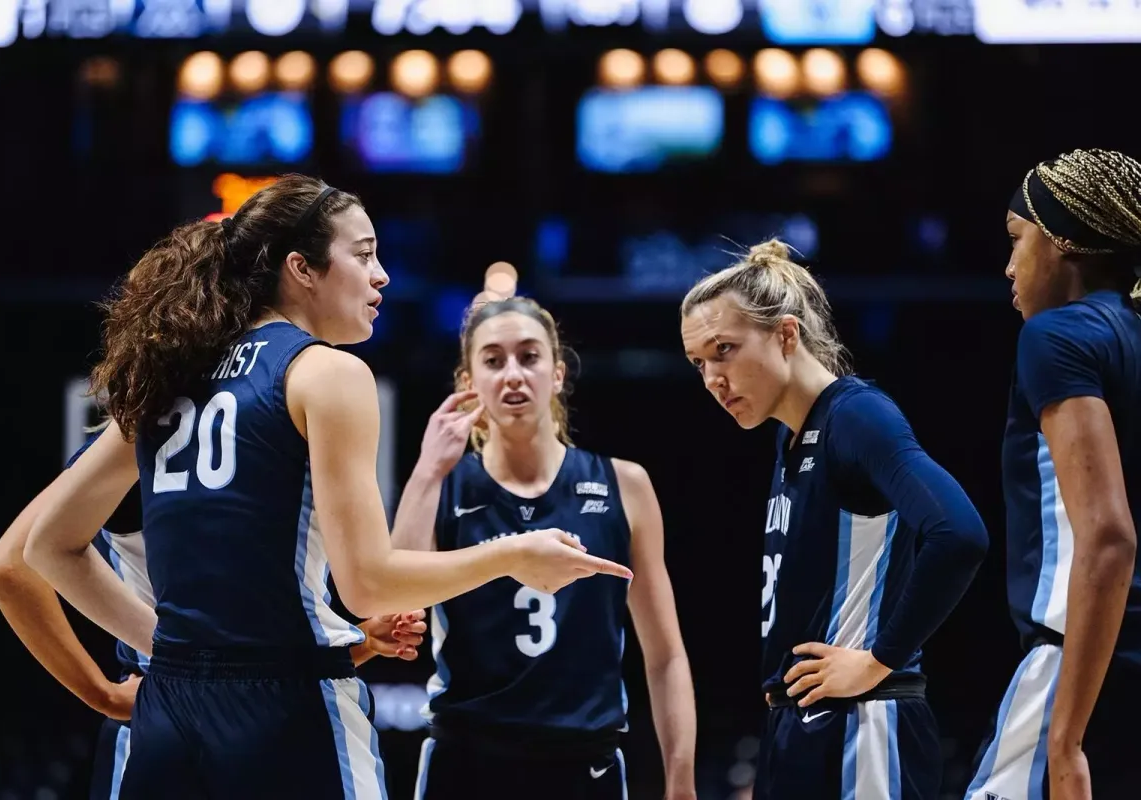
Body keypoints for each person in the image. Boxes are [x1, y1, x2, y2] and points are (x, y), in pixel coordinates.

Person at [22, 175, 632, 799]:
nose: (382, 275)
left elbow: (48, 545)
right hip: (289, 708)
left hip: (169, 715)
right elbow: (369, 586)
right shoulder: (328, 372)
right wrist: (514, 555)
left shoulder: (175, 372)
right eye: (364, 254)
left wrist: (166, 644)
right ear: (301, 268)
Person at [680, 239, 989, 800]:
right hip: (797, 728)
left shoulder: (857, 417)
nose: (711, 379)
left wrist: (879, 661)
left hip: (863, 723)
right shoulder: (787, 439)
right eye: (699, 362)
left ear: (787, 335)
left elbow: (960, 533)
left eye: (723, 349)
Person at [0, 426, 428, 799]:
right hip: (205, 718)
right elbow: (8, 570)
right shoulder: (158, 437)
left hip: (226, 712)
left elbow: (246, 652)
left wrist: (361, 641)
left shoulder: (238, 435)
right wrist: (102, 693)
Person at [392, 293, 698, 800]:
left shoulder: (624, 484)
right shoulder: (443, 487)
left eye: (529, 357)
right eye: (493, 360)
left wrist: (681, 780)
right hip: (467, 762)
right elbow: (393, 607)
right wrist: (427, 469)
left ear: (557, 374)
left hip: (584, 764)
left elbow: (665, 656)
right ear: (468, 384)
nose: (513, 373)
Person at [964, 148, 1141, 800]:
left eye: (1018, 240)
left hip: (1084, 659)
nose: (1010, 267)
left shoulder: (1058, 336)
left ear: (1064, 239)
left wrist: (1065, 739)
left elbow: (1109, 538)